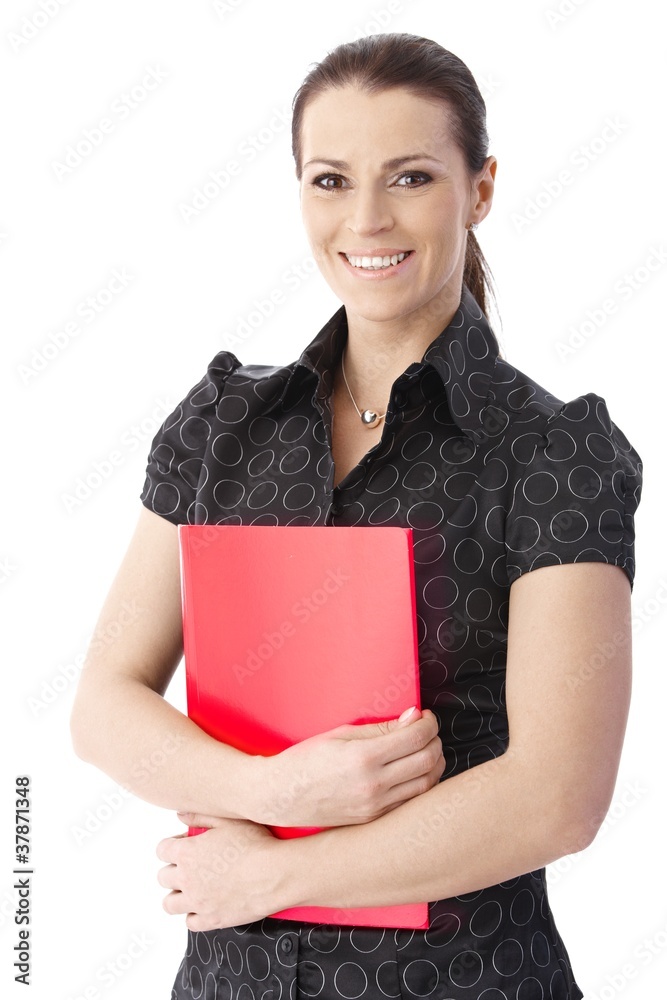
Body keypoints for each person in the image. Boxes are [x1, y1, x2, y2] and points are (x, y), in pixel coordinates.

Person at [70, 32, 642, 1000]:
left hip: (466, 978)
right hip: (235, 977)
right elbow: (104, 704)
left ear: (482, 189)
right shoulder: (220, 427)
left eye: (411, 176)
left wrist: (279, 871)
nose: (367, 217)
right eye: (330, 180)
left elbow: (556, 799)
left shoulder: (553, 453)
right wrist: (269, 793)